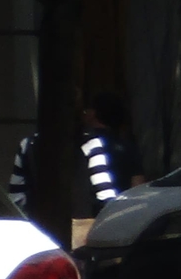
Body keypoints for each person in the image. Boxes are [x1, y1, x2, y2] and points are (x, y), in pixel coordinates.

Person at [9, 90, 137, 219]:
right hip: (78, 227)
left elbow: (16, 197)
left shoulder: (27, 145)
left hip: (38, 227)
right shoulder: (90, 144)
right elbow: (104, 194)